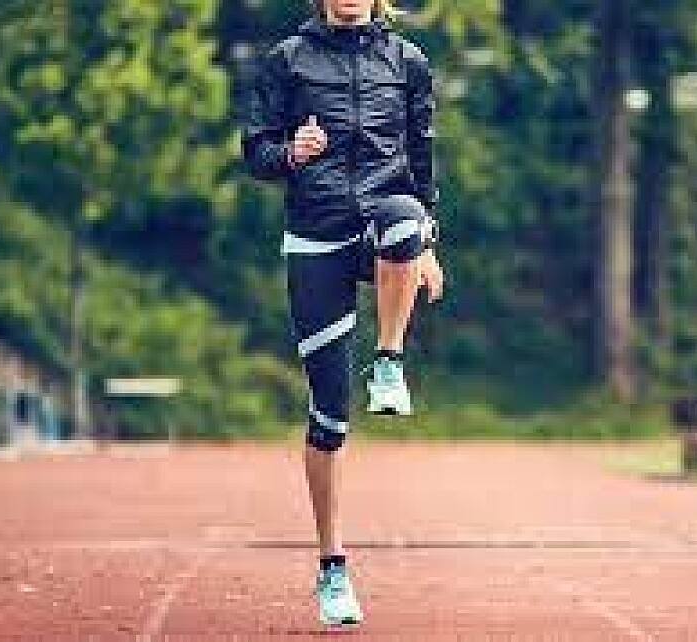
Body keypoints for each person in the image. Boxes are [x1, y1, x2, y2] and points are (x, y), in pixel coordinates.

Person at [238, 0, 444, 627]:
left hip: (383, 220)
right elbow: (255, 152)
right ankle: (332, 565)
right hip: (316, 237)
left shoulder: (408, 61)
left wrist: (428, 244)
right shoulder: (288, 60)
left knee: (405, 221)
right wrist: (291, 153)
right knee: (329, 418)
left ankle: (389, 361)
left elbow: (422, 161)